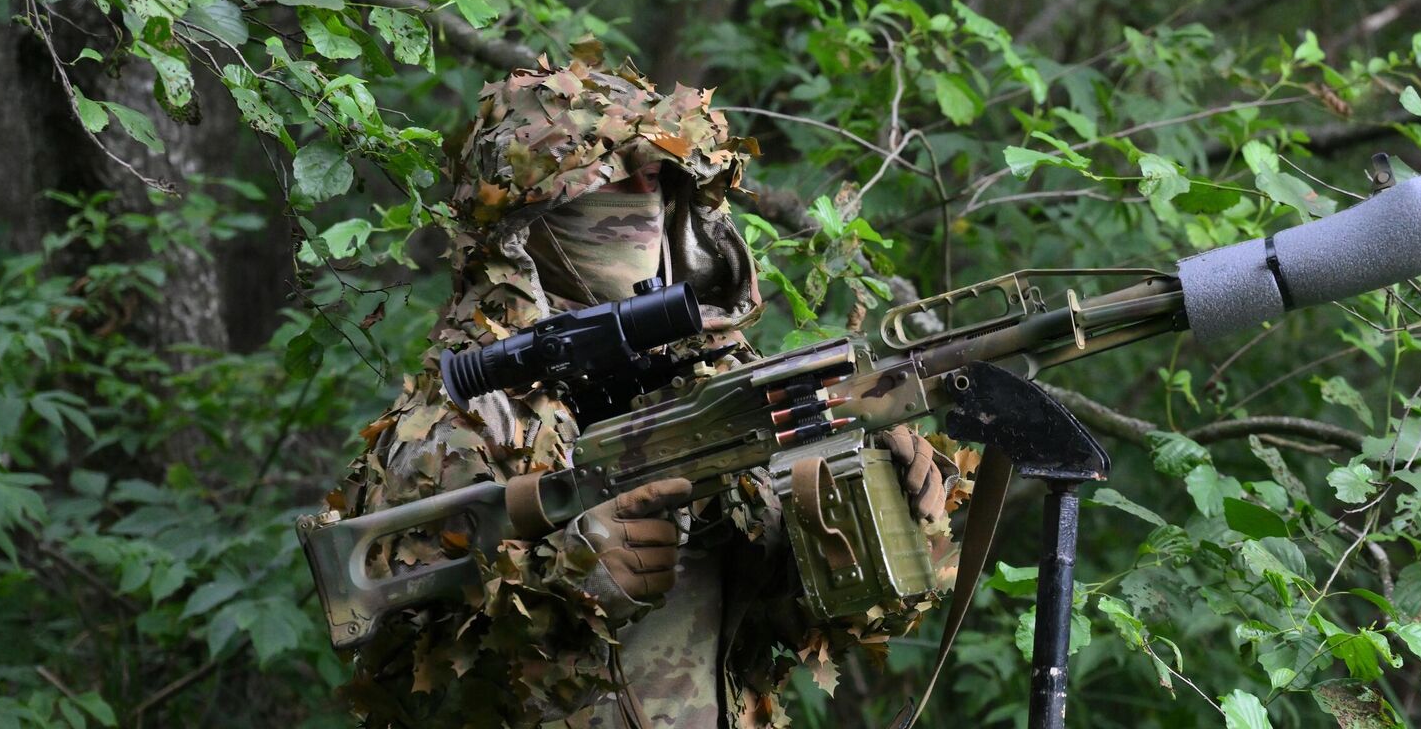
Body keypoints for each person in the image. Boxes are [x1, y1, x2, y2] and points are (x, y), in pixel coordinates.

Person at [328, 39, 957, 729]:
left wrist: (881, 518)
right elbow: (411, 668)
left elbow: (793, 614)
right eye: (606, 183)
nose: (642, 202)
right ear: (524, 219)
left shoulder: (710, 381)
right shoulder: (464, 417)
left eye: (656, 179)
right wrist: (569, 578)